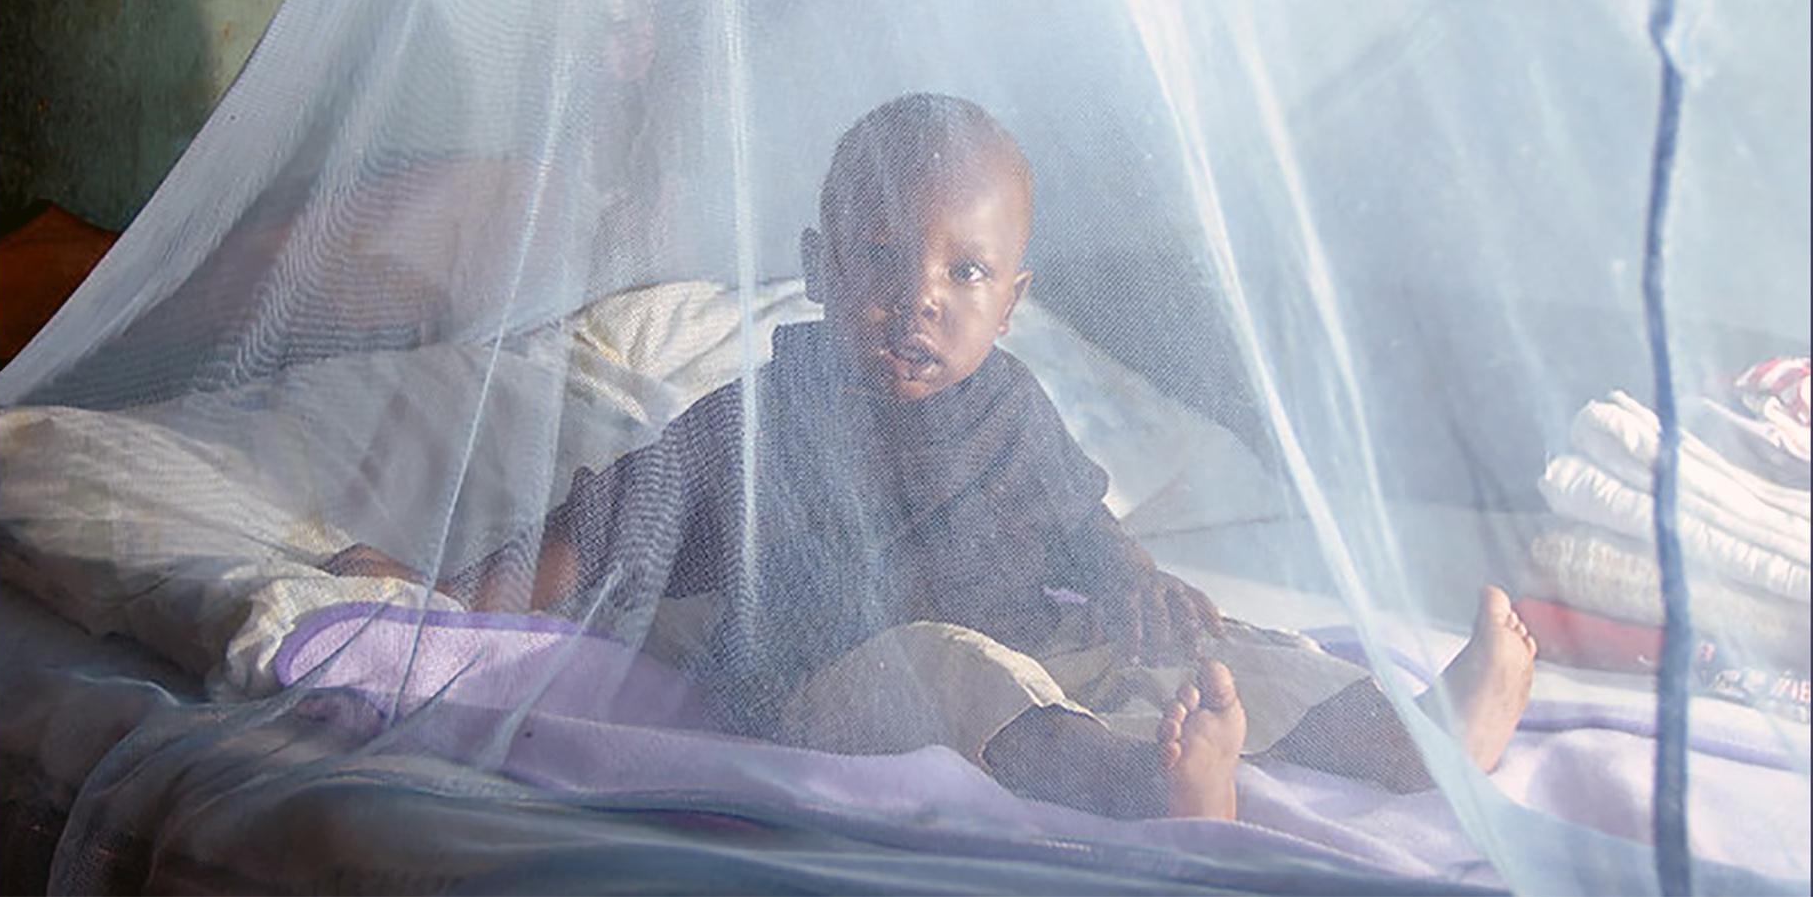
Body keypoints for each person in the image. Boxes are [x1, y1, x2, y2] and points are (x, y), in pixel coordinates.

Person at [329, 92, 1537, 820]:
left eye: (963, 272)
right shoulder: (761, 422)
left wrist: (1132, 585)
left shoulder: (1011, 407)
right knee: (958, 669)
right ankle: (1151, 789)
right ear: (816, 269)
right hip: (834, 684)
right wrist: (440, 597)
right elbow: (607, 527)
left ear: (1013, 299)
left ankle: (1411, 736)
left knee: (1224, 651)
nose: (918, 298)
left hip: (1032, 636)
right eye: (878, 256)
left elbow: (1081, 527)